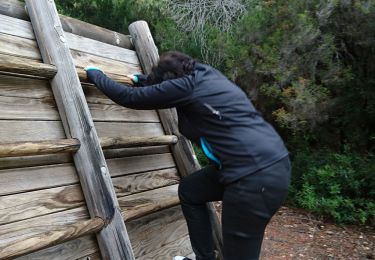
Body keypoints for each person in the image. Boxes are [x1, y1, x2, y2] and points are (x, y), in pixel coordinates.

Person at [85, 51, 291, 260]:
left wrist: (96, 74)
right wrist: (144, 81)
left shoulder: (186, 87)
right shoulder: (204, 75)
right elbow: (164, 87)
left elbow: (130, 98)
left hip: (254, 179)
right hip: (267, 167)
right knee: (191, 191)